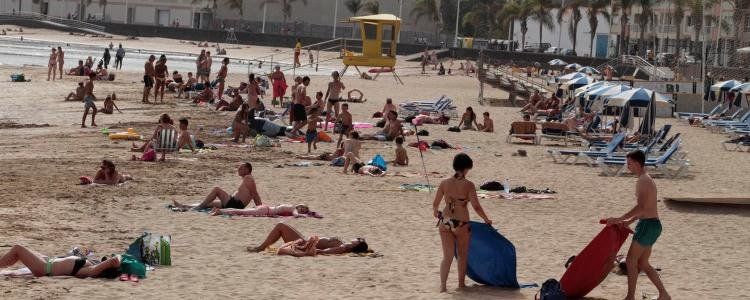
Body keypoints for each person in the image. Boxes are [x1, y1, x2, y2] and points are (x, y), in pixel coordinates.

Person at [605, 150, 671, 300]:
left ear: (637, 163)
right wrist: (628, 221)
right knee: (643, 263)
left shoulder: (642, 180)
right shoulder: (647, 178)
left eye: (629, 163)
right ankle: (664, 294)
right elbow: (646, 208)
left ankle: (630, 297)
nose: (628, 167)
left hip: (648, 225)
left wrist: (619, 218)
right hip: (653, 225)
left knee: (630, 261)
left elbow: (641, 207)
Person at [433, 153, 492, 292]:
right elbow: (476, 206)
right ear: (465, 168)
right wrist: (486, 219)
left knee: (447, 257)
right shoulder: (469, 185)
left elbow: (435, 205)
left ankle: (443, 286)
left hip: (445, 221)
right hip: (461, 223)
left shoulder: (444, 183)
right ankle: (460, 284)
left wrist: (436, 211)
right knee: (462, 255)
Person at [172, 162, 262, 210]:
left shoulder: (248, 178)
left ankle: (198, 207)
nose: (238, 169)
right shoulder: (247, 178)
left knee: (216, 190)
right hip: (232, 203)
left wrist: (260, 208)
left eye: (241, 168)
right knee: (209, 204)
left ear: (247, 169)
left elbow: (255, 194)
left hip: (235, 204)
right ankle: (184, 206)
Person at [247, 223, 369, 256]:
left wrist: (310, 249)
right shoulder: (344, 246)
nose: (356, 238)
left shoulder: (343, 247)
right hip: (304, 241)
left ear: (356, 244)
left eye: (358, 239)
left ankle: (260, 248)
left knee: (281, 226)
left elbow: (326, 252)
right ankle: (261, 247)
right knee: (282, 226)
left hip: (304, 244)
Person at [0, 245, 121, 278]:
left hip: (44, 267)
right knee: (19, 253)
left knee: (18, 249)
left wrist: (111, 262)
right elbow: (119, 256)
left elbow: (94, 271)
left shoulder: (89, 271)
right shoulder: (91, 262)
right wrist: (117, 260)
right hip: (48, 260)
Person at [210, 203, 310, 217]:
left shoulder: (289, 205)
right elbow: (295, 214)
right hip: (265, 210)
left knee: (240, 210)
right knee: (240, 211)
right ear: (299, 205)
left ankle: (220, 210)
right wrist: (305, 215)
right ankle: (220, 211)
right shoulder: (293, 208)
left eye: (304, 210)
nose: (302, 210)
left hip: (265, 208)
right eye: (302, 208)